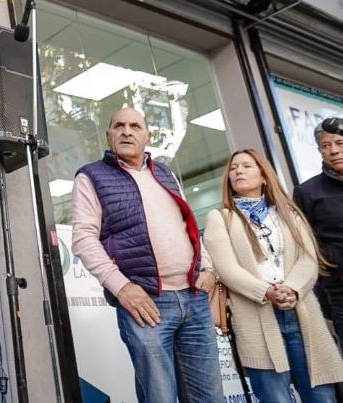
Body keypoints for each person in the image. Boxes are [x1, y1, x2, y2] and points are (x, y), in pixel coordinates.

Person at [71, 107, 224, 402]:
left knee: (210, 397)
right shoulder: (92, 176)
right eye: (119, 125)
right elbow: (83, 239)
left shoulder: (165, 173)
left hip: (194, 298)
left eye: (135, 126)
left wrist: (207, 269)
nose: (126, 131)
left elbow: (188, 226)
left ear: (147, 136)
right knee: (160, 397)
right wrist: (122, 287)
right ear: (109, 135)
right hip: (148, 303)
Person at [204, 148, 343, 403]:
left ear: (264, 176)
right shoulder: (220, 217)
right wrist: (266, 291)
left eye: (246, 166)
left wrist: (291, 289)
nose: (238, 171)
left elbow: (308, 258)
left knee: (321, 397)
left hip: (301, 311)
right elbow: (226, 268)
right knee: (274, 397)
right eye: (234, 168)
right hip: (255, 316)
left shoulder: (288, 214)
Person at [293, 118, 343, 340]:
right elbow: (307, 248)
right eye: (325, 145)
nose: (333, 150)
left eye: (340, 143)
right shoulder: (307, 192)